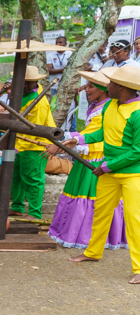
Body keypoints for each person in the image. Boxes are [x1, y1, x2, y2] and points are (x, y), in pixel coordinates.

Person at [67, 65, 140, 283]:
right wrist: (78, 139)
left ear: (122, 87)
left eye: (111, 83)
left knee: (134, 219)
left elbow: (137, 151)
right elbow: (103, 132)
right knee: (101, 213)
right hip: (111, 171)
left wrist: (107, 166)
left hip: (132, 173)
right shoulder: (110, 105)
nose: (107, 86)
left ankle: (139, 268)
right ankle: (93, 252)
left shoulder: (137, 112)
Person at [47, 70, 127, 251]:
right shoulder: (101, 106)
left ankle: (89, 239)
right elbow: (91, 134)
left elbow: (99, 136)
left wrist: (65, 143)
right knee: (81, 197)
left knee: (93, 199)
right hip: (89, 157)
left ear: (104, 89)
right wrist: (68, 141)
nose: (85, 89)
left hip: (98, 160)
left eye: (90, 86)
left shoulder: (107, 109)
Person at [8, 66, 56, 219]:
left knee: (33, 179)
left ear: (32, 83)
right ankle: (17, 206)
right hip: (18, 144)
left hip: (35, 145)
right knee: (15, 177)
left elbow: (32, 129)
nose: (21, 86)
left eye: (25, 83)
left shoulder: (38, 102)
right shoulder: (21, 94)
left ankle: (35, 212)